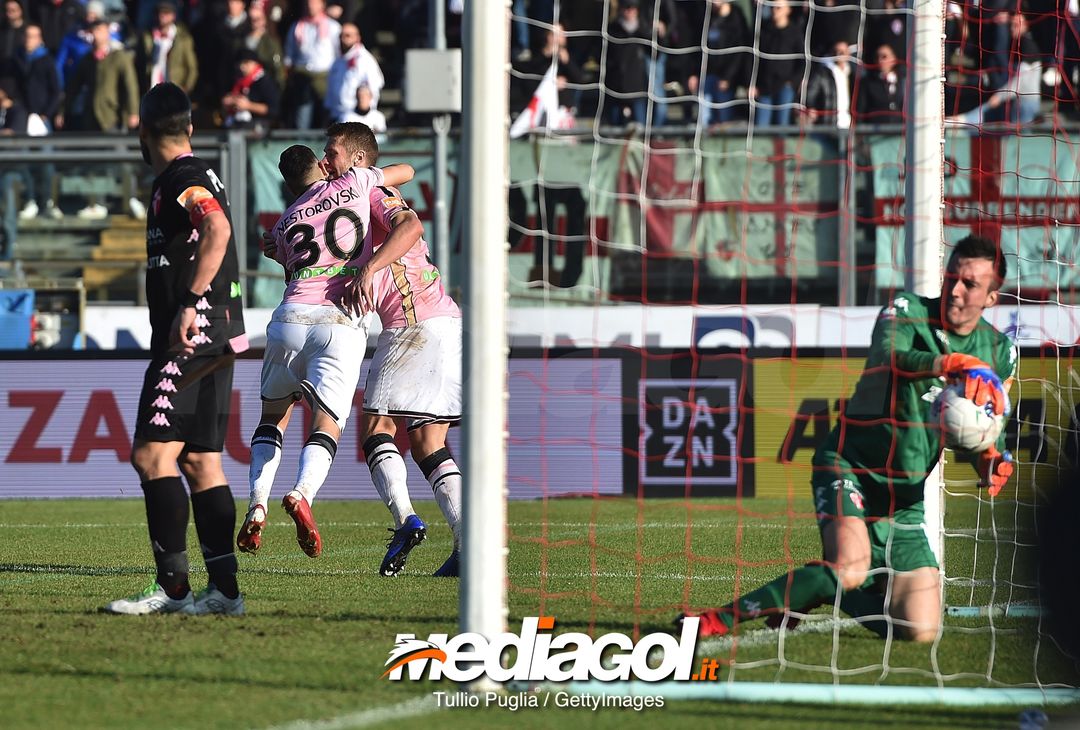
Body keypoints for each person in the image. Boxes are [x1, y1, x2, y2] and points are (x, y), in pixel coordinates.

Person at [677, 235, 1017, 642]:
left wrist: (990, 459)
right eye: (952, 277)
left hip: (903, 499)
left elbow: (977, 430)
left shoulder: (999, 353)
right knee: (849, 569)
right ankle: (714, 621)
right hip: (849, 466)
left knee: (920, 629)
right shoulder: (906, 310)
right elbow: (889, 358)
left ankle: (823, 592)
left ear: (992, 298)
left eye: (970, 284)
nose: (955, 290)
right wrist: (951, 363)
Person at [103, 82, 248, 616]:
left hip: (192, 334)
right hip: (219, 333)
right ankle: (225, 593)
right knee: (202, 461)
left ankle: (174, 588)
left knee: (151, 455)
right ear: (189, 127)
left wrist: (188, 301)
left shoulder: (182, 180)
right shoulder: (195, 173)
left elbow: (217, 227)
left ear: (142, 132)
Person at [235, 137, 414, 558]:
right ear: (320, 164)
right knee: (326, 423)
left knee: (272, 418)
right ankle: (302, 494)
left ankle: (257, 504)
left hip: (289, 319)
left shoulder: (286, 220)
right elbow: (404, 170)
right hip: (340, 319)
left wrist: (277, 249)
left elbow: (287, 263)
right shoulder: (352, 182)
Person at [322, 129, 464, 578]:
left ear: (359, 158)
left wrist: (371, 267)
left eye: (333, 153)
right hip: (443, 321)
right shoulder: (350, 199)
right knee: (427, 443)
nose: (327, 161)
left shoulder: (376, 191)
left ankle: (406, 521)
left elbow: (411, 226)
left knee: (375, 427)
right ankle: (468, 545)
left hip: (414, 322)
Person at [323, 21, 384, 124]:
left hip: (356, 118)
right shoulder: (337, 61)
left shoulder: (364, 59)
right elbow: (330, 90)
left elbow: (375, 86)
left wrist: (364, 113)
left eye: (348, 36)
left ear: (357, 38)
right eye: (341, 35)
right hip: (337, 116)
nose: (343, 39)